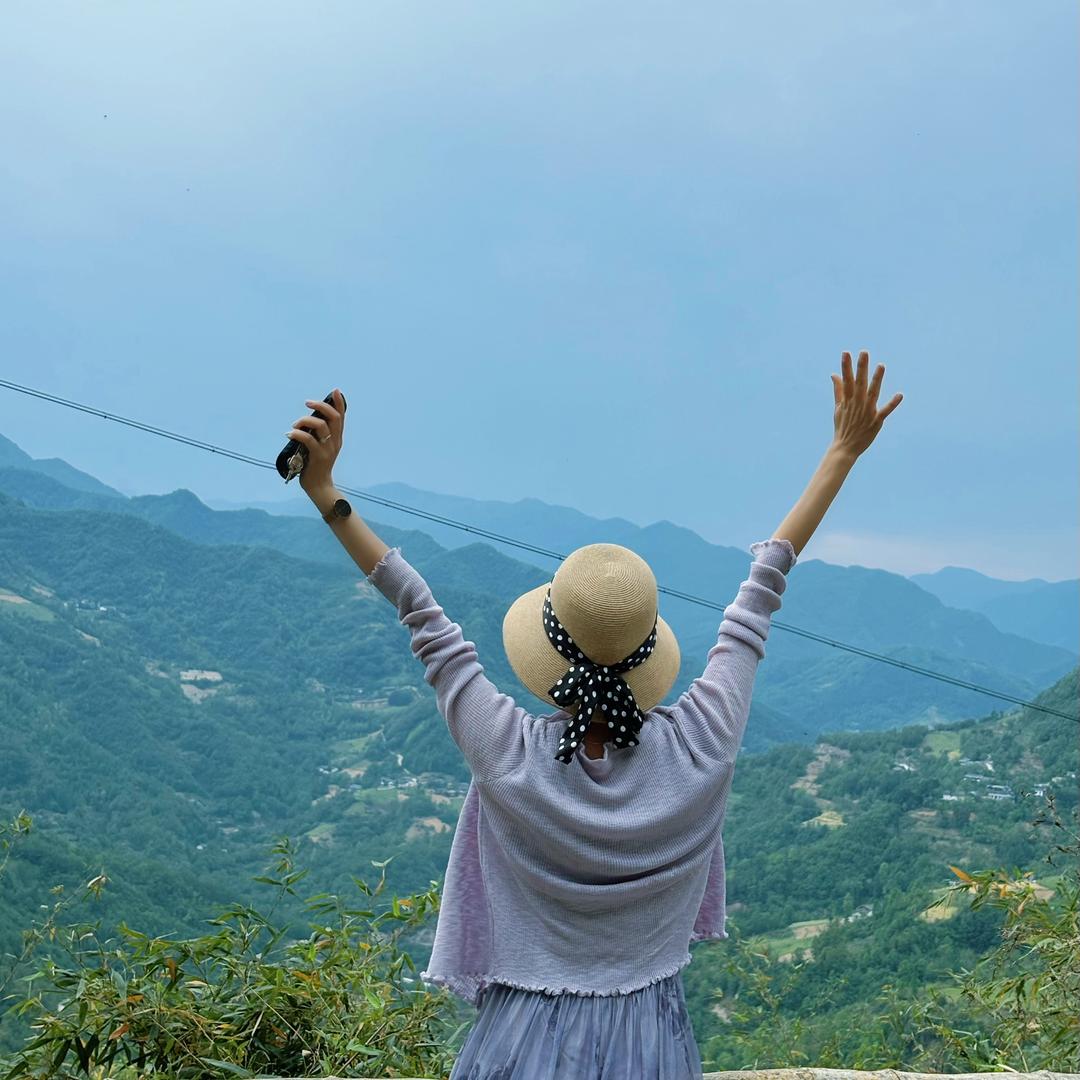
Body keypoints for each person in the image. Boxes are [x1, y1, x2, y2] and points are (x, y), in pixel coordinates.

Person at [286, 350, 903, 1079]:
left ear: (549, 657)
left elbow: (421, 613)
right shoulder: (703, 746)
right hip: (652, 1042)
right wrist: (842, 452)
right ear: (646, 654)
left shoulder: (506, 753)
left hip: (519, 1039)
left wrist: (326, 492)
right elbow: (760, 593)